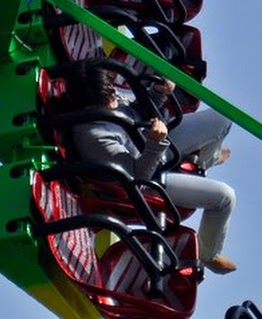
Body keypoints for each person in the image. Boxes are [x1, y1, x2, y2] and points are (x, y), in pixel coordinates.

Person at [66, 60, 238, 275]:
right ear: (90, 104)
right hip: (150, 175)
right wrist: (156, 144)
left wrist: (158, 93)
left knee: (223, 118)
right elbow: (138, 179)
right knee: (225, 197)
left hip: (152, 143)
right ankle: (209, 254)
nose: (114, 100)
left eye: (112, 92)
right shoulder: (94, 136)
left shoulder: (107, 97)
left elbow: (141, 112)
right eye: (107, 98)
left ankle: (203, 160)